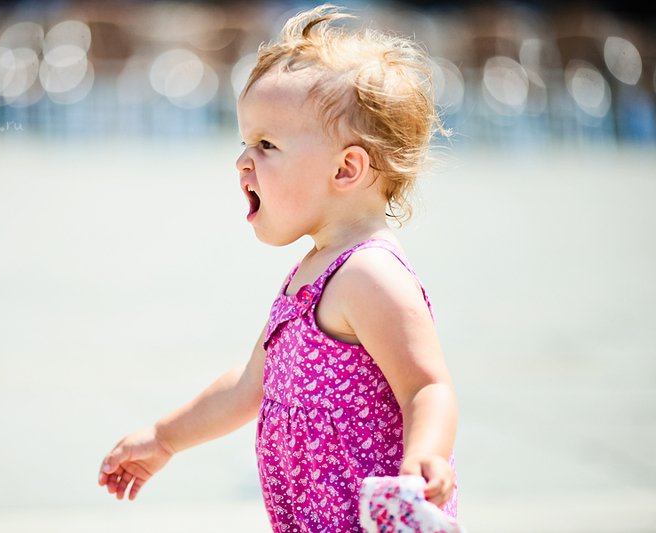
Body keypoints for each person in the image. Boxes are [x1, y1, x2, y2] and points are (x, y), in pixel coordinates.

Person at [99, 4, 458, 531]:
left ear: (346, 168)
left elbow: (427, 387)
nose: (243, 160)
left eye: (267, 145)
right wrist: (164, 438)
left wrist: (426, 453)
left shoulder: (370, 275)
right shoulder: (310, 273)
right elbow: (251, 384)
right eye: (244, 142)